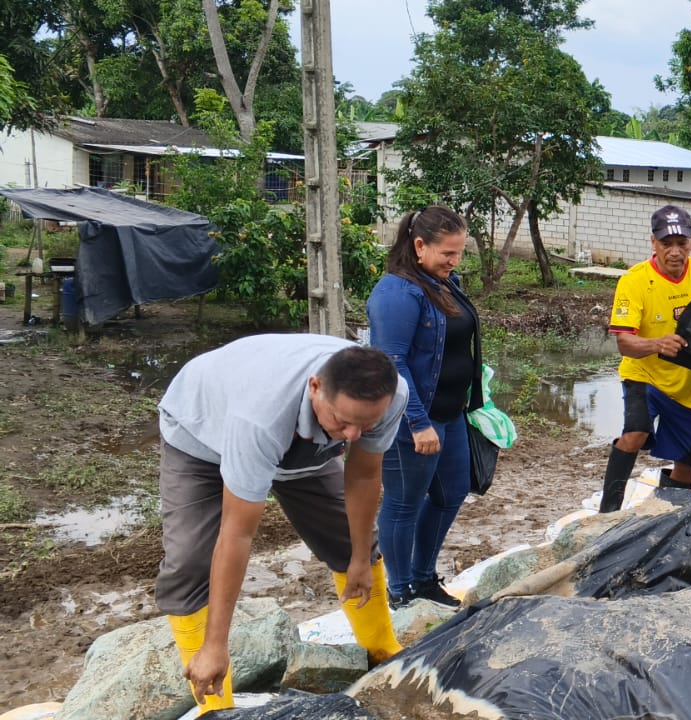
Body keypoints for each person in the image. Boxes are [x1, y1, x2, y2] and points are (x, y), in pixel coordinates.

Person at [155, 335, 406, 714]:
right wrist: (215, 645)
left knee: (350, 537)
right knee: (190, 562)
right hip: (201, 434)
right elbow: (237, 534)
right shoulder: (260, 417)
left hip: (299, 437)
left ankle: (383, 648)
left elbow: (364, 475)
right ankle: (215, 705)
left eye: (365, 425)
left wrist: (358, 559)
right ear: (315, 388)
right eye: (343, 421)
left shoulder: (389, 394)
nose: (353, 436)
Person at [367, 205, 479, 609]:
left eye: (459, 252)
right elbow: (392, 362)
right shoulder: (397, 294)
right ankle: (400, 592)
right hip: (412, 419)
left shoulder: (444, 283)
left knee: (453, 492)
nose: (455, 261)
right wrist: (417, 422)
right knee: (403, 503)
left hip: (450, 413)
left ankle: (423, 578)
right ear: (419, 246)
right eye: (447, 253)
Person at [598, 205, 691, 513]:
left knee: (687, 462)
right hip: (644, 374)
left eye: (682, 243)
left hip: (688, 380)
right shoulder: (634, 281)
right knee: (634, 434)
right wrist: (657, 344)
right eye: (666, 244)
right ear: (654, 243)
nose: (675, 252)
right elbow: (625, 343)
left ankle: (668, 514)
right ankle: (607, 512)